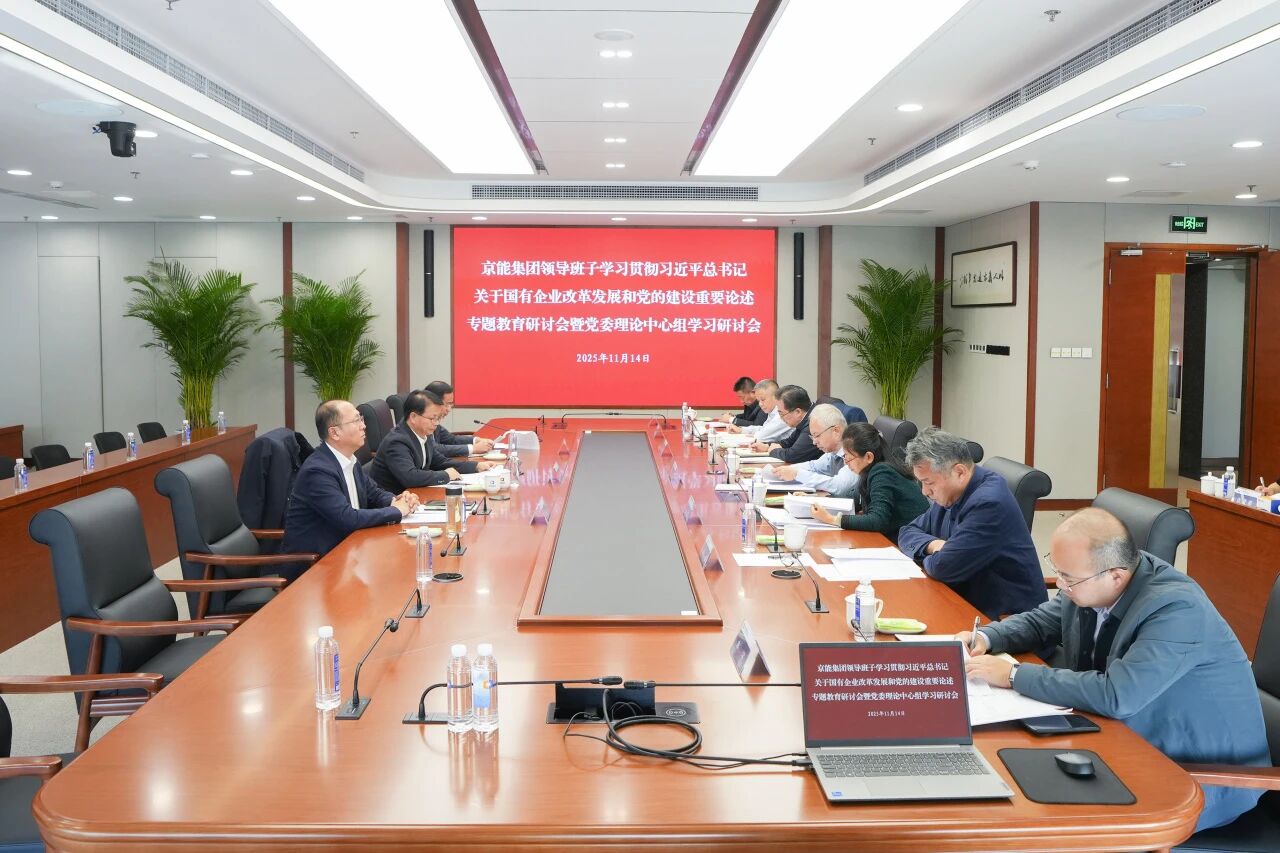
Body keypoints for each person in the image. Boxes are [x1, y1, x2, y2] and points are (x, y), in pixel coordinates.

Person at [961, 508, 1269, 832]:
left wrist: (1012, 675)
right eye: (1058, 571)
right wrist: (986, 637)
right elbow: (1043, 621)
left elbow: (1117, 695)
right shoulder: (1097, 579)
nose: (1061, 585)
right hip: (1127, 743)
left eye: (1068, 578)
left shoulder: (1176, 608)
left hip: (1199, 778)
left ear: (1116, 576)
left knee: (1036, 821)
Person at [897, 427, 1046, 619]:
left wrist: (934, 556)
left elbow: (943, 568)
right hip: (963, 599)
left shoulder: (989, 504)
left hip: (1005, 620)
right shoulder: (950, 493)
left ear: (959, 472)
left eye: (929, 483)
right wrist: (934, 545)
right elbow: (907, 531)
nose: (925, 492)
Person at [280, 400, 419, 576]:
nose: (364, 426)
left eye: (361, 419)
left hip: (350, 553)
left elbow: (374, 493)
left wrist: (396, 500)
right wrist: (397, 510)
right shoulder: (318, 471)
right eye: (356, 421)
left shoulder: (349, 460)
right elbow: (347, 518)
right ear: (334, 432)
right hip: (316, 568)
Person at [811, 422, 929, 541]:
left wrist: (833, 520)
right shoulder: (870, 471)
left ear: (868, 457)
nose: (846, 462)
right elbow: (853, 498)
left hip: (911, 541)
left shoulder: (883, 472)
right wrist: (816, 500)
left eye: (848, 457)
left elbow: (877, 520)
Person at [369, 390, 499, 492]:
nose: (436, 423)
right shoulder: (397, 441)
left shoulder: (423, 433)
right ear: (413, 417)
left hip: (415, 495)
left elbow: (440, 462)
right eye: (433, 418)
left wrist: (476, 466)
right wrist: (445, 475)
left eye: (439, 418)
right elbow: (410, 477)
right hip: (393, 503)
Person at [768, 404, 857, 497]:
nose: (814, 442)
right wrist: (785, 471)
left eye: (817, 435)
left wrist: (797, 474)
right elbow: (813, 466)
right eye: (812, 437)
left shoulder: (855, 452)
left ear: (836, 431)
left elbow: (838, 486)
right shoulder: (832, 453)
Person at [752, 385, 821, 464]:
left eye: (782, 414)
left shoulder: (814, 423)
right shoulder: (805, 418)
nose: (781, 419)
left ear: (798, 412)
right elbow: (789, 442)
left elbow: (792, 456)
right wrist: (767, 446)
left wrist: (773, 450)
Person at [423, 380, 494, 456]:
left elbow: (451, 439)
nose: (449, 409)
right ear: (433, 402)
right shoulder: (423, 421)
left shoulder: (435, 422)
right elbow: (434, 449)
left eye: (451, 404)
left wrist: (476, 440)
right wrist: (473, 448)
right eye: (447, 404)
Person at [728, 379, 792, 444]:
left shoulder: (783, 413)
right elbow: (764, 428)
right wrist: (741, 430)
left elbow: (761, 437)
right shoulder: (772, 411)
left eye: (763, 400)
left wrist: (752, 435)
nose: (760, 404)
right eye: (759, 401)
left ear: (776, 397)